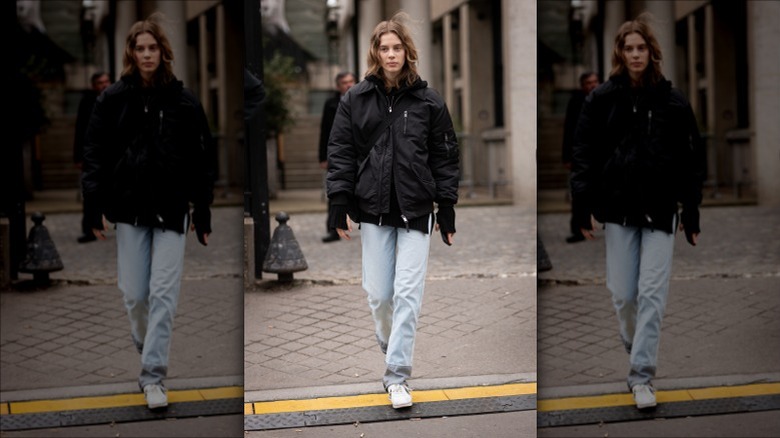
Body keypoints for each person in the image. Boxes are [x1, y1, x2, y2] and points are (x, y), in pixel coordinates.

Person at [81, 13, 216, 410]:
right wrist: (94, 208)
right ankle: (147, 345)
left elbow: (202, 158)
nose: (146, 55)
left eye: (152, 48)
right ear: (131, 53)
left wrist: (203, 210)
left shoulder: (184, 101)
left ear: (162, 51)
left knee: (162, 295)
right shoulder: (113, 99)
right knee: (133, 295)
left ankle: (153, 375)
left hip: (173, 210)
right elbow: (95, 154)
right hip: (128, 209)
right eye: (139, 48)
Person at [570, 14, 705, 410]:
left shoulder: (674, 101)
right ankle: (636, 344)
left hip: (663, 211)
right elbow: (584, 155)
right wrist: (583, 208)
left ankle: (641, 375)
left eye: (641, 48)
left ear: (651, 52)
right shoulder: (602, 99)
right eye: (628, 49)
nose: (635, 55)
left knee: (651, 295)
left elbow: (692, 159)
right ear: (620, 52)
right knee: (622, 296)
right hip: (618, 210)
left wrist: (692, 213)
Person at [326, 12, 460, 409]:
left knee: (407, 295)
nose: (390, 54)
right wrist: (339, 201)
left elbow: (446, 156)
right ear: (375, 52)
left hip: (418, 209)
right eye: (384, 48)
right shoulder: (355, 99)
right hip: (373, 209)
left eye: (397, 48)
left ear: (407, 52)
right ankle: (390, 342)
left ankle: (397, 376)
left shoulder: (429, 100)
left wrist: (448, 208)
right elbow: (341, 151)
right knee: (379, 296)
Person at [319, 71, 356, 243]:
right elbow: (325, 130)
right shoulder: (331, 104)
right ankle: (334, 228)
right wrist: (323, 157)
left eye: (351, 81)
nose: (348, 85)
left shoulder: (364, 99)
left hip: (360, 152)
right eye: (344, 82)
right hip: (339, 152)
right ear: (338, 86)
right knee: (336, 190)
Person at [74, 71, 111, 243]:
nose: (104, 85)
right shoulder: (87, 102)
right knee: (90, 193)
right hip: (92, 154)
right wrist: (78, 157)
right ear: (94, 85)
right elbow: (80, 129)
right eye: (100, 82)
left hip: (113, 153)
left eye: (107, 81)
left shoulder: (116, 98)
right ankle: (89, 229)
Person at [561, 71, 598, 244]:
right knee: (579, 194)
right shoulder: (576, 102)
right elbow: (569, 129)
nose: (593, 85)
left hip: (601, 154)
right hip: (580, 155)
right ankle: (578, 229)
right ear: (582, 85)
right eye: (589, 83)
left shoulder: (605, 98)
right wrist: (567, 156)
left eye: (595, 81)